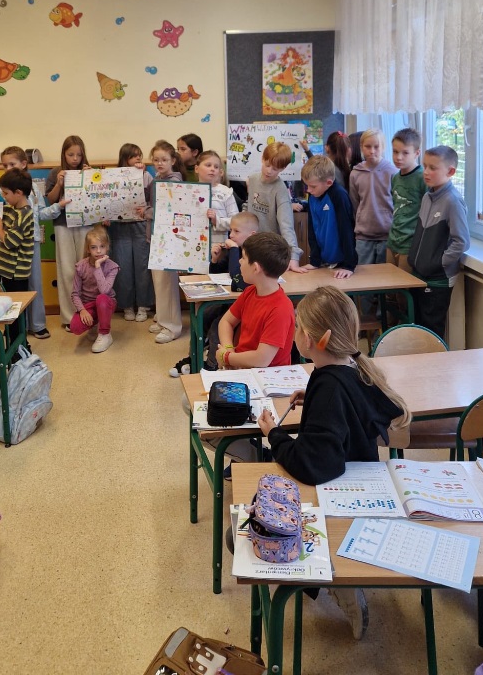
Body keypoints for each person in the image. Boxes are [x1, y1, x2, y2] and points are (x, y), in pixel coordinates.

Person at [257, 286, 411, 641]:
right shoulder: (349, 368)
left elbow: (313, 466)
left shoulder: (329, 387)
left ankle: (339, 581)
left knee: (257, 528)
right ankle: (338, 578)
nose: (295, 333)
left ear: (312, 340)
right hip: (359, 479)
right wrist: (312, 395)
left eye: (298, 327)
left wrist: (273, 435)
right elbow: (337, 410)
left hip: (337, 495)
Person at [169, 211, 260, 377]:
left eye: (236, 231)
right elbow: (218, 272)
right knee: (203, 316)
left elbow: (236, 276)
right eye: (231, 230)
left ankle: (212, 366)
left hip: (248, 305)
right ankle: (194, 358)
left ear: (252, 235)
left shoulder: (254, 255)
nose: (231, 235)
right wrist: (215, 260)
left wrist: (234, 250)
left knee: (217, 326)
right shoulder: (235, 249)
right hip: (230, 301)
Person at [1, 145, 69, 339]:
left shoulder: (33, 190)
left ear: (24, 164)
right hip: (12, 245)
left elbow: (40, 213)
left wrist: (58, 206)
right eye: (5, 165)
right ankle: (17, 326)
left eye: (12, 164)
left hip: (32, 242)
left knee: (34, 283)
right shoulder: (4, 191)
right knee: (16, 286)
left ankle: (37, 324)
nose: (8, 168)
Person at [407, 145, 469, 339]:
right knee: (418, 328)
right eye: (424, 166)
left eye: (433, 168)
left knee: (432, 332)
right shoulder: (427, 196)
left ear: (450, 172)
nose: (426, 172)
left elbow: (461, 242)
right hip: (420, 275)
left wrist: (438, 262)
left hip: (437, 279)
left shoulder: (453, 201)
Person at [215, 232, 295, 370]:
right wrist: (228, 349)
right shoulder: (250, 292)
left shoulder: (280, 308)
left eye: (243, 257)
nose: (239, 261)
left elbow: (261, 359)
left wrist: (227, 357)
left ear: (255, 268)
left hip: (267, 376)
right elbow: (226, 322)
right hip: (245, 369)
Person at [45, 136, 92, 327]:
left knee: (86, 268)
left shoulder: (88, 171)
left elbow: (97, 199)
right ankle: (68, 317)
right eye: (71, 154)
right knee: (66, 270)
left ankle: (87, 312)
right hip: (63, 224)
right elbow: (50, 200)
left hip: (84, 223)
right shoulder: (56, 172)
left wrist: (90, 179)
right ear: (64, 154)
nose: (75, 159)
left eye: (78, 155)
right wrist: (59, 183)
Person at [110, 142, 154, 324]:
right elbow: (107, 200)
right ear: (125, 158)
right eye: (134, 156)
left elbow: (152, 198)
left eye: (139, 155)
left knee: (143, 267)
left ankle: (143, 305)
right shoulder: (114, 176)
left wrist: (141, 175)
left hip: (140, 225)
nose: (138, 159)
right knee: (123, 266)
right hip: (120, 226)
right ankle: (127, 305)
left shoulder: (146, 175)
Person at [245, 142, 305, 273]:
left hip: (271, 249)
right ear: (263, 159)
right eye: (267, 165)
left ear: (283, 168)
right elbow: (249, 210)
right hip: (252, 245)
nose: (269, 171)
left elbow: (286, 225)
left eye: (275, 169)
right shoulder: (252, 180)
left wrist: (293, 257)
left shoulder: (280, 189)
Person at [147, 140, 185, 343]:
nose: (159, 163)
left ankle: (172, 327)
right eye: (156, 160)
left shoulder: (173, 181)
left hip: (168, 238)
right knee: (159, 282)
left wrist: (146, 212)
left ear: (173, 161)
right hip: (157, 236)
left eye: (164, 160)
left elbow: (168, 209)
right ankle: (163, 320)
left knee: (167, 284)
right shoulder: (158, 179)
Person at [300, 155, 357, 277]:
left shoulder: (339, 195)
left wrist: (349, 266)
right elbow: (312, 230)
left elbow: (347, 230)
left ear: (329, 183)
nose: (308, 190)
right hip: (324, 262)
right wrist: (315, 261)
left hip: (342, 262)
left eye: (312, 186)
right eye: (307, 185)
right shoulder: (313, 195)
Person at [349, 128, 396, 267]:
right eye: (368, 146)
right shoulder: (355, 173)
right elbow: (354, 203)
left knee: (385, 275)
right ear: (361, 147)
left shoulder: (393, 172)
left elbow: (397, 203)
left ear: (383, 147)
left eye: (376, 147)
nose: (372, 151)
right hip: (363, 236)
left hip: (388, 235)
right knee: (363, 274)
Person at [68, 225, 120, 353]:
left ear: (107, 247)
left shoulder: (112, 267)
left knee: (101, 298)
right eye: (93, 247)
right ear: (88, 249)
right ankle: (95, 323)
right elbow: (75, 294)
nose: (98, 251)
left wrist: (98, 267)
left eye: (102, 246)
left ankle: (105, 334)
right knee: (75, 327)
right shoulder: (81, 266)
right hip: (88, 305)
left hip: (106, 302)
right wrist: (82, 310)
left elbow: (104, 291)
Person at [386, 127, 425, 274]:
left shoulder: (422, 178)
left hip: (410, 243)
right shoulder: (395, 177)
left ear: (417, 153)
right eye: (395, 152)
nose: (398, 157)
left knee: (405, 285)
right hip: (393, 240)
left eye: (405, 153)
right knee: (389, 284)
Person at [0, 168, 35, 295]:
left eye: (6, 193)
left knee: (16, 303)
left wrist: (0, 231)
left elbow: (11, 242)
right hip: (5, 270)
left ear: (18, 193)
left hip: (15, 274)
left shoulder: (24, 214)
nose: (3, 196)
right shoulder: (10, 208)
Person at [197, 150, 238, 251]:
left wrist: (217, 220)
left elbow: (236, 222)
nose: (212, 169)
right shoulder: (189, 191)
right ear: (196, 168)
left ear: (220, 172)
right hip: (195, 246)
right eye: (208, 165)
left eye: (216, 167)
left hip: (219, 248)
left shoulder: (226, 192)